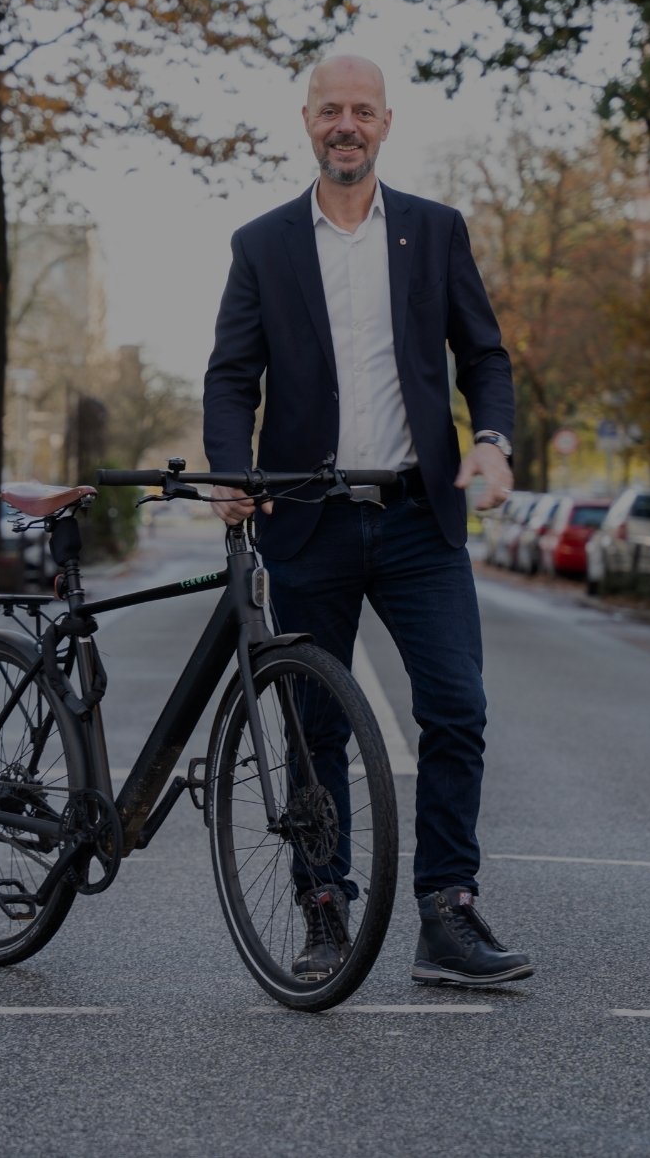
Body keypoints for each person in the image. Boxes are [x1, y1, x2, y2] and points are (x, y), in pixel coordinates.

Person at [202, 53, 532, 988]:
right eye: (330, 111)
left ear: (387, 122)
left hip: (419, 515)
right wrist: (232, 469)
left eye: (362, 111)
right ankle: (322, 910)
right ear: (307, 120)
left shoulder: (434, 232)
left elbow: (485, 355)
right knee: (315, 723)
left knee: (457, 709)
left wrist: (495, 440)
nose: (345, 125)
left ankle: (447, 912)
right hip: (306, 515)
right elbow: (232, 377)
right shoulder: (262, 243)